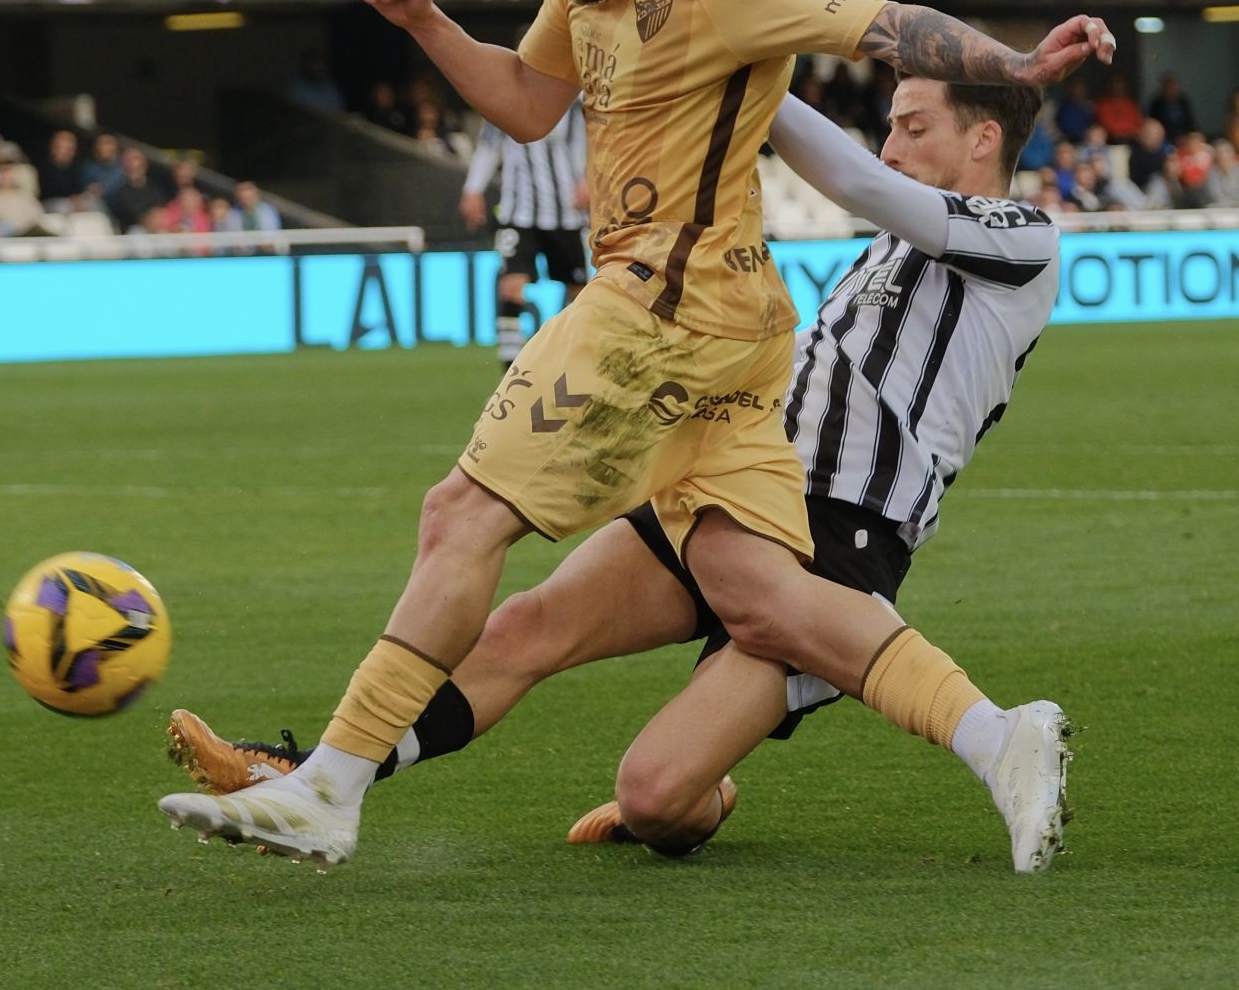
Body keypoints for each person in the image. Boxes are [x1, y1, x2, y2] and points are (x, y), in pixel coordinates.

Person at [155, 0, 1113, 870]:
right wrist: (426, 23)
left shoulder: (998, 222)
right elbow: (528, 105)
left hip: (696, 342)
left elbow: (889, 36)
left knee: (461, 509)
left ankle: (328, 782)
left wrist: (1017, 62)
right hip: (747, 369)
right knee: (640, 769)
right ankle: (1000, 737)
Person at [170, 79, 1069, 865]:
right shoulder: (893, 248)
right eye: (890, 125)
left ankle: (978, 739)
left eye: (914, 126)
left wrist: (746, 58)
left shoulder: (1022, 238)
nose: (890, 143)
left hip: (844, 530)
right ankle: (325, 769)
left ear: (983, 138)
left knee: (652, 799)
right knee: (525, 625)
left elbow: (861, 181)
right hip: (738, 483)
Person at [460, 99, 589, 371]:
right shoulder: (506, 99)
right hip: (518, 214)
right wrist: (473, 190)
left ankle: (577, 365)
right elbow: (488, 146)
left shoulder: (573, 101)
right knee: (510, 286)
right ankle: (509, 373)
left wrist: (589, 181)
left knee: (579, 294)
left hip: (566, 214)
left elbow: (591, 142)